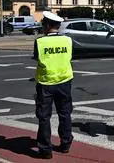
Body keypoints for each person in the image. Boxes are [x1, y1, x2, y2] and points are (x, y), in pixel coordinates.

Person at [32, 11, 74, 159]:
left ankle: (45, 150)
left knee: (44, 117)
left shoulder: (40, 42)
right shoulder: (68, 40)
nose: (42, 26)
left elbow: (38, 58)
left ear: (48, 25)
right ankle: (65, 144)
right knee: (65, 113)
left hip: (45, 83)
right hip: (64, 82)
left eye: (43, 24)